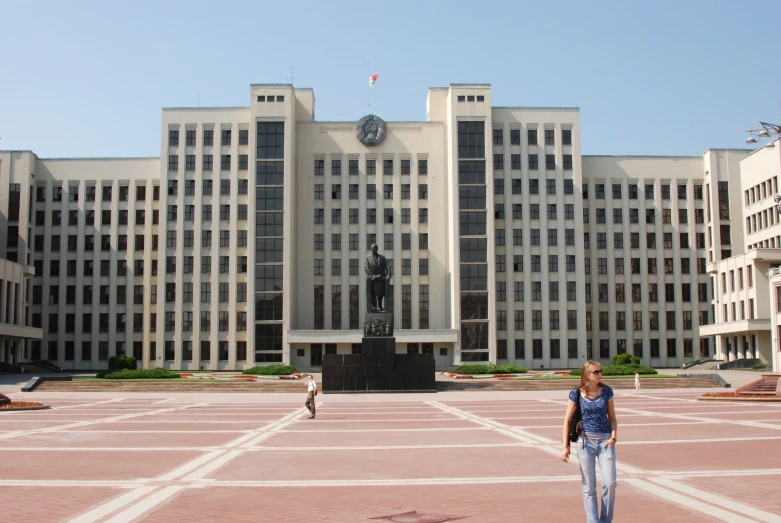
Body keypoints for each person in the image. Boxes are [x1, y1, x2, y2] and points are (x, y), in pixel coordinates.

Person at [561, 360, 618, 523]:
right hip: (585, 443)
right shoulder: (576, 393)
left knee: (610, 483)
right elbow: (567, 420)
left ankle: (606, 520)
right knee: (589, 487)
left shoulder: (606, 391)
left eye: (600, 371)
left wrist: (614, 437)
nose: (600, 374)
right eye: (596, 372)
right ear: (587, 374)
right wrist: (565, 447)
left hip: (605, 442)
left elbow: (612, 418)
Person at [364, 244, 389, 312]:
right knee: (373, 293)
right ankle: (373, 306)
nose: (373, 249)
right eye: (372, 248)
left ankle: (380, 306)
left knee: (380, 293)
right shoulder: (367, 258)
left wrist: (388, 275)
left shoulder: (382, 257)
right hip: (373, 279)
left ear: (377, 249)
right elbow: (366, 268)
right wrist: (373, 276)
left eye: (374, 248)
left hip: (381, 278)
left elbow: (387, 266)